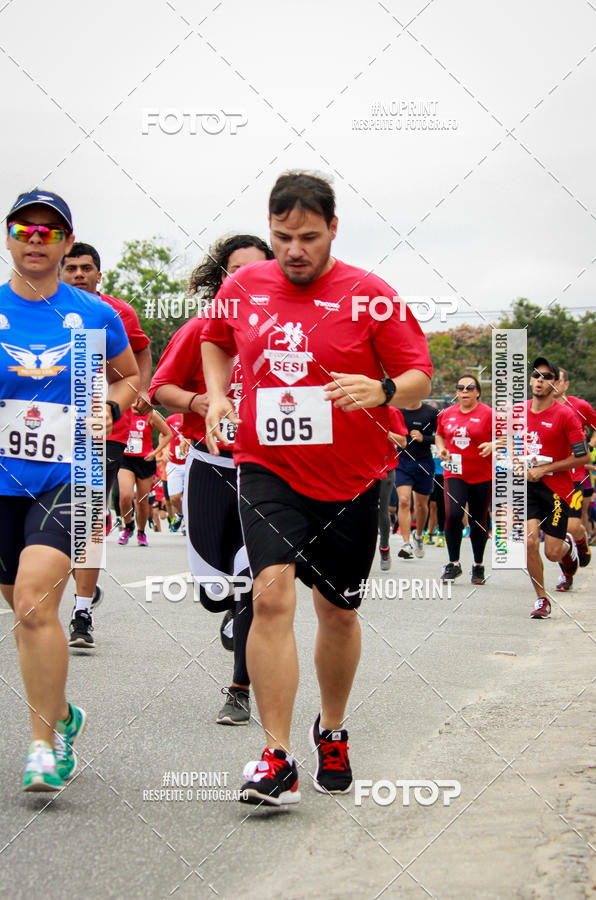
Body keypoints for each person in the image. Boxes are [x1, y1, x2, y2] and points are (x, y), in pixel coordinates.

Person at [202, 171, 432, 806]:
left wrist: (383, 391)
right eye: (282, 238)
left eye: (307, 236)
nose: (294, 250)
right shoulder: (244, 285)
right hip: (266, 465)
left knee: (337, 610)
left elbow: (417, 372)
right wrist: (219, 395)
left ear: (333, 228)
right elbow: (215, 342)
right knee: (271, 597)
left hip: (352, 477)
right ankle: (275, 755)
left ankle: (331, 727)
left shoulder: (370, 294)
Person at [0, 189, 139, 790]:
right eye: (24, 229)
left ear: (65, 241)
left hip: (70, 476)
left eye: (48, 232)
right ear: (9, 236)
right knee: (22, 607)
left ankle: (44, 744)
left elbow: (132, 376)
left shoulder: (94, 314)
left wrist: (110, 403)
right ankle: (61, 709)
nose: (36, 239)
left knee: (34, 601)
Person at [150, 234, 274, 726]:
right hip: (210, 467)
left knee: (253, 585)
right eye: (235, 271)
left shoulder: (289, 331)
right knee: (214, 591)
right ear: (222, 278)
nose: (245, 280)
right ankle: (227, 608)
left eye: (256, 270)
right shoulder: (202, 328)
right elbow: (161, 388)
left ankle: (239, 688)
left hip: (266, 475)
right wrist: (197, 402)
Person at [60, 242, 152, 647]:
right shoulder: (37, 309)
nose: (79, 274)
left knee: (88, 515)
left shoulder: (115, 313)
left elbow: (140, 352)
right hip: (45, 433)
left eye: (86, 268)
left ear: (100, 274)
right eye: (72, 268)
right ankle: (71, 579)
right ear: (60, 271)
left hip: (105, 429)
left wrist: (139, 392)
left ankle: (81, 612)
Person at [523, 358, 588, 618]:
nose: (540, 380)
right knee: (529, 543)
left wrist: (545, 469)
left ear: (555, 383)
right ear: (530, 380)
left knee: (552, 553)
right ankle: (541, 599)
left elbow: (583, 457)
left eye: (546, 376)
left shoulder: (566, 415)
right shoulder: (518, 412)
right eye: (536, 375)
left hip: (556, 490)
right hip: (527, 488)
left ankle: (568, 545)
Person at [435, 375, 493, 584]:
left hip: (481, 475)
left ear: (478, 392)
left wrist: (493, 445)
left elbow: (507, 437)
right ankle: (453, 563)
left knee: (478, 519)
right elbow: (439, 435)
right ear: (457, 392)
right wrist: (442, 449)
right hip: (455, 472)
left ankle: (478, 565)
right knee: (453, 514)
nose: (465, 391)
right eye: (461, 388)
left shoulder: (489, 414)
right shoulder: (447, 414)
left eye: (470, 388)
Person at [553, 368, 596, 587]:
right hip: (547, 478)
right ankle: (567, 574)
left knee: (571, 526)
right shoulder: (535, 408)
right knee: (555, 533)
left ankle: (580, 540)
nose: (551, 384)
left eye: (557, 381)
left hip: (574, 476)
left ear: (566, 384)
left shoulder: (579, 406)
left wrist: (589, 446)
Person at [117, 410, 173, 546]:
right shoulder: (123, 409)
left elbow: (168, 434)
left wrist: (155, 452)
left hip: (145, 461)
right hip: (126, 460)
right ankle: (128, 526)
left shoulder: (151, 414)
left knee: (142, 501)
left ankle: (141, 532)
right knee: (125, 496)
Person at [394, 400, 439, 559]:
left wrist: (424, 438)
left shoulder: (431, 413)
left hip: (424, 462)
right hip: (402, 461)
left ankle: (418, 535)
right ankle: (406, 544)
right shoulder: (397, 411)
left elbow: (441, 437)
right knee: (404, 500)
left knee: (421, 505)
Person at [378, 408, 407, 570]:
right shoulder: (358, 410)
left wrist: (384, 432)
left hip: (385, 468)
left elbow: (403, 442)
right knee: (361, 511)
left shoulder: (392, 412)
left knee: (382, 509)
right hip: (361, 468)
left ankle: (384, 548)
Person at [164, 413, 187, 531]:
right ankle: (180, 514)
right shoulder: (171, 419)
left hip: (190, 463)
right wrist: (164, 449)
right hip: (174, 464)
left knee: (190, 497)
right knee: (174, 498)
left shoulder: (196, 415)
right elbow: (162, 434)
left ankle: (186, 523)